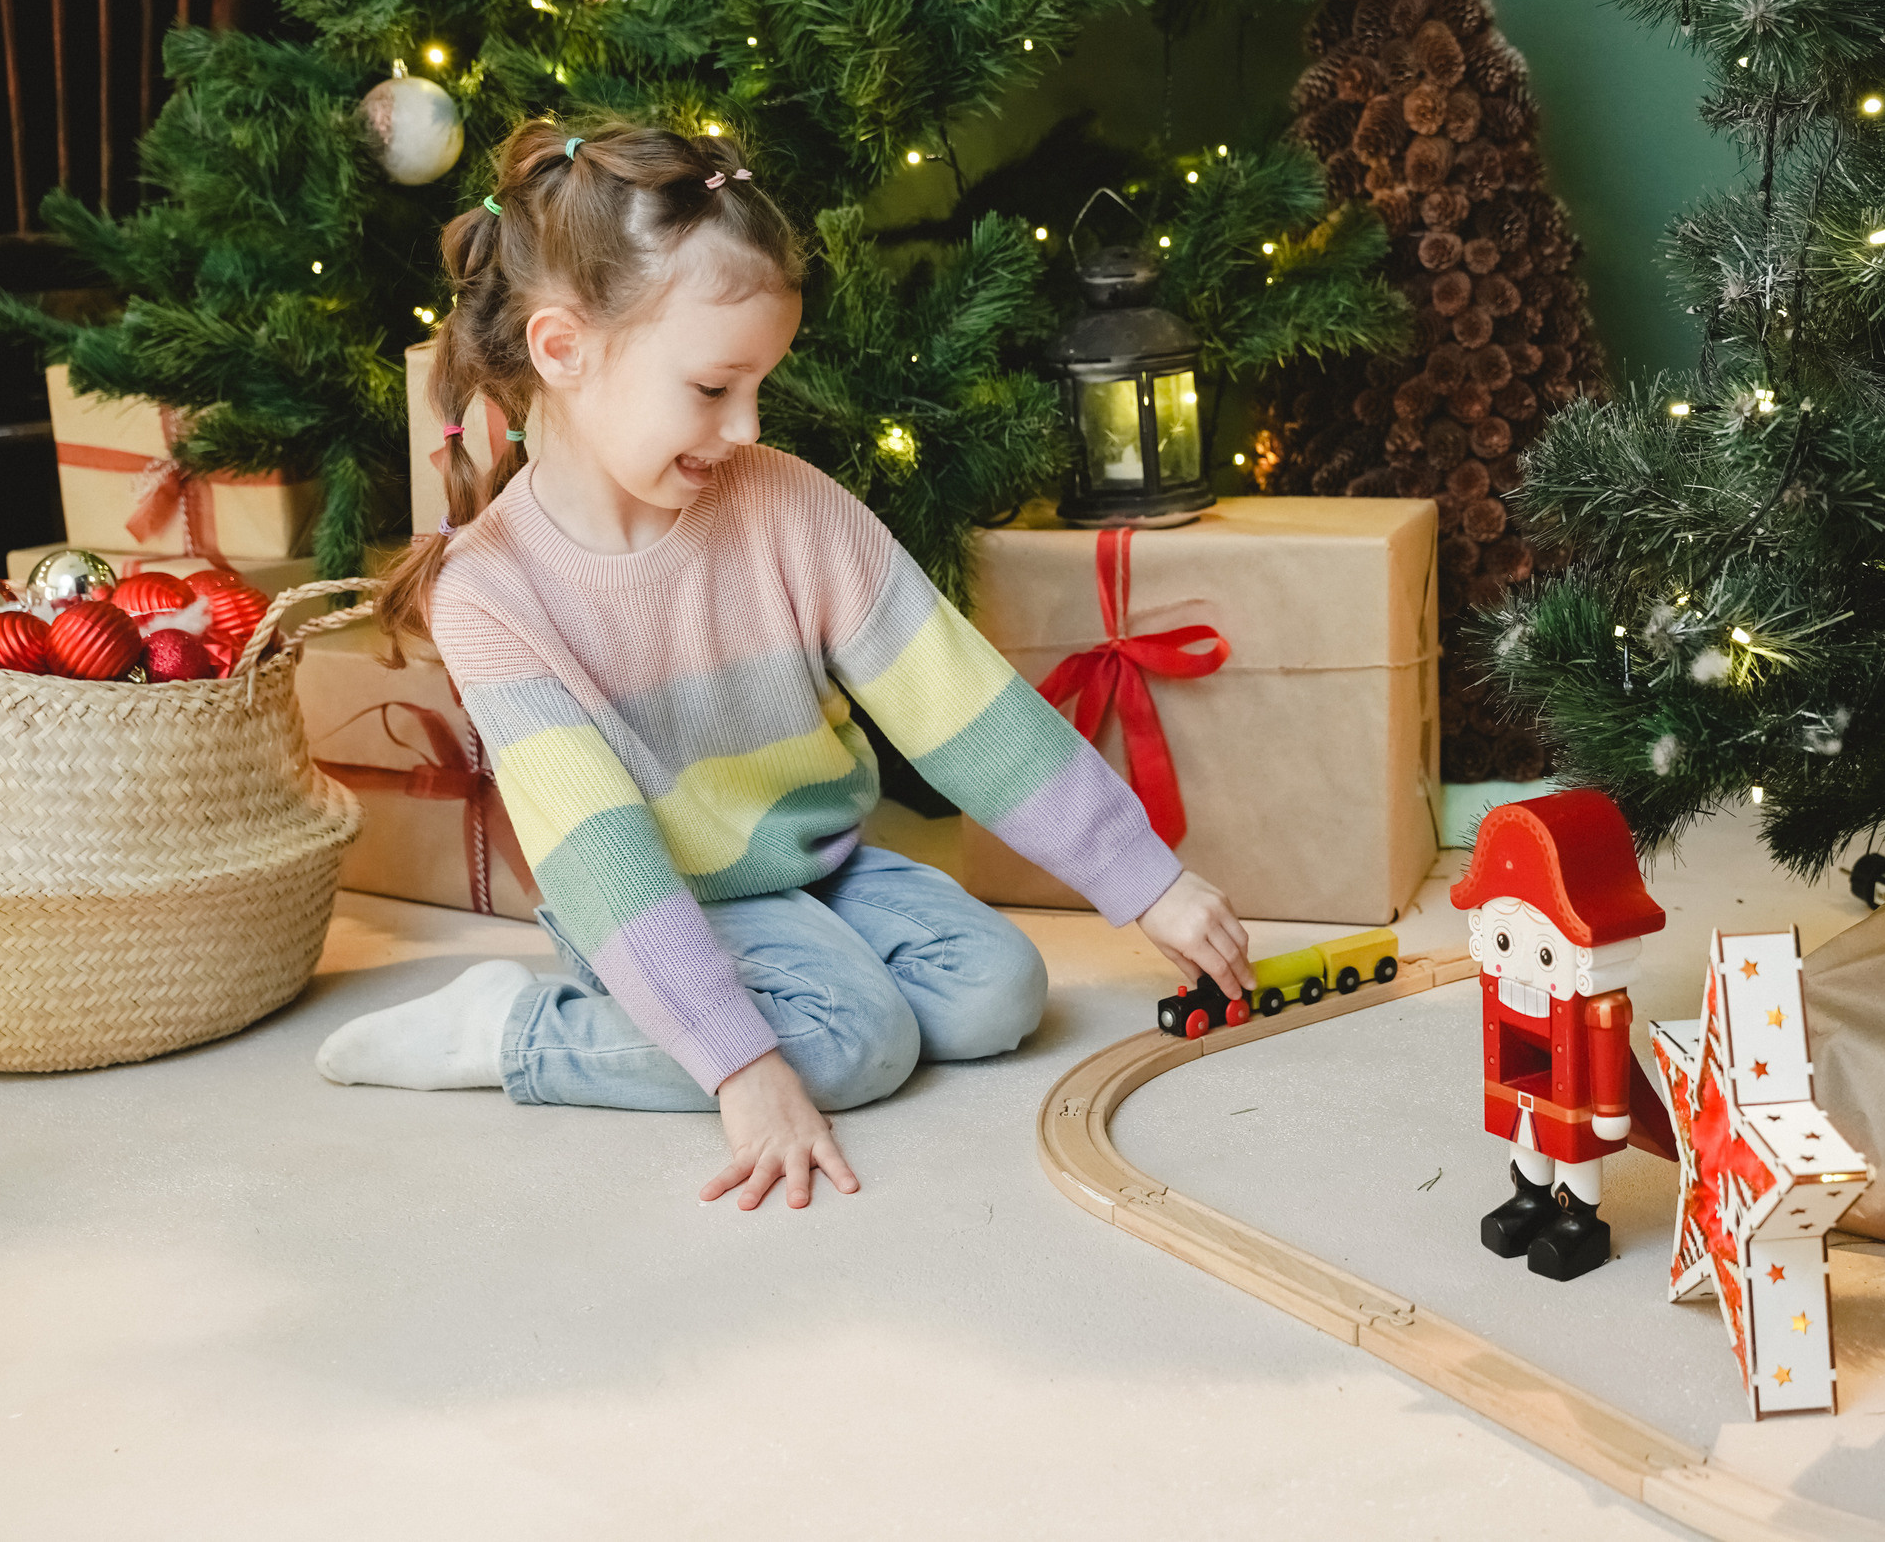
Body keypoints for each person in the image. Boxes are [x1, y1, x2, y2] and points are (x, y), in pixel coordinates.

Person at [314, 121, 1253, 1211]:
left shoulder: (788, 502)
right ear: (564, 351)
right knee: (852, 1047)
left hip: (818, 860)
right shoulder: (489, 590)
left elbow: (959, 704)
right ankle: (513, 1029)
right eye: (715, 388)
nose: (748, 424)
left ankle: (782, 992)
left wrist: (1147, 883)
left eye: (761, 384)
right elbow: (602, 851)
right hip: (653, 895)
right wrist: (741, 1068)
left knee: (999, 995)